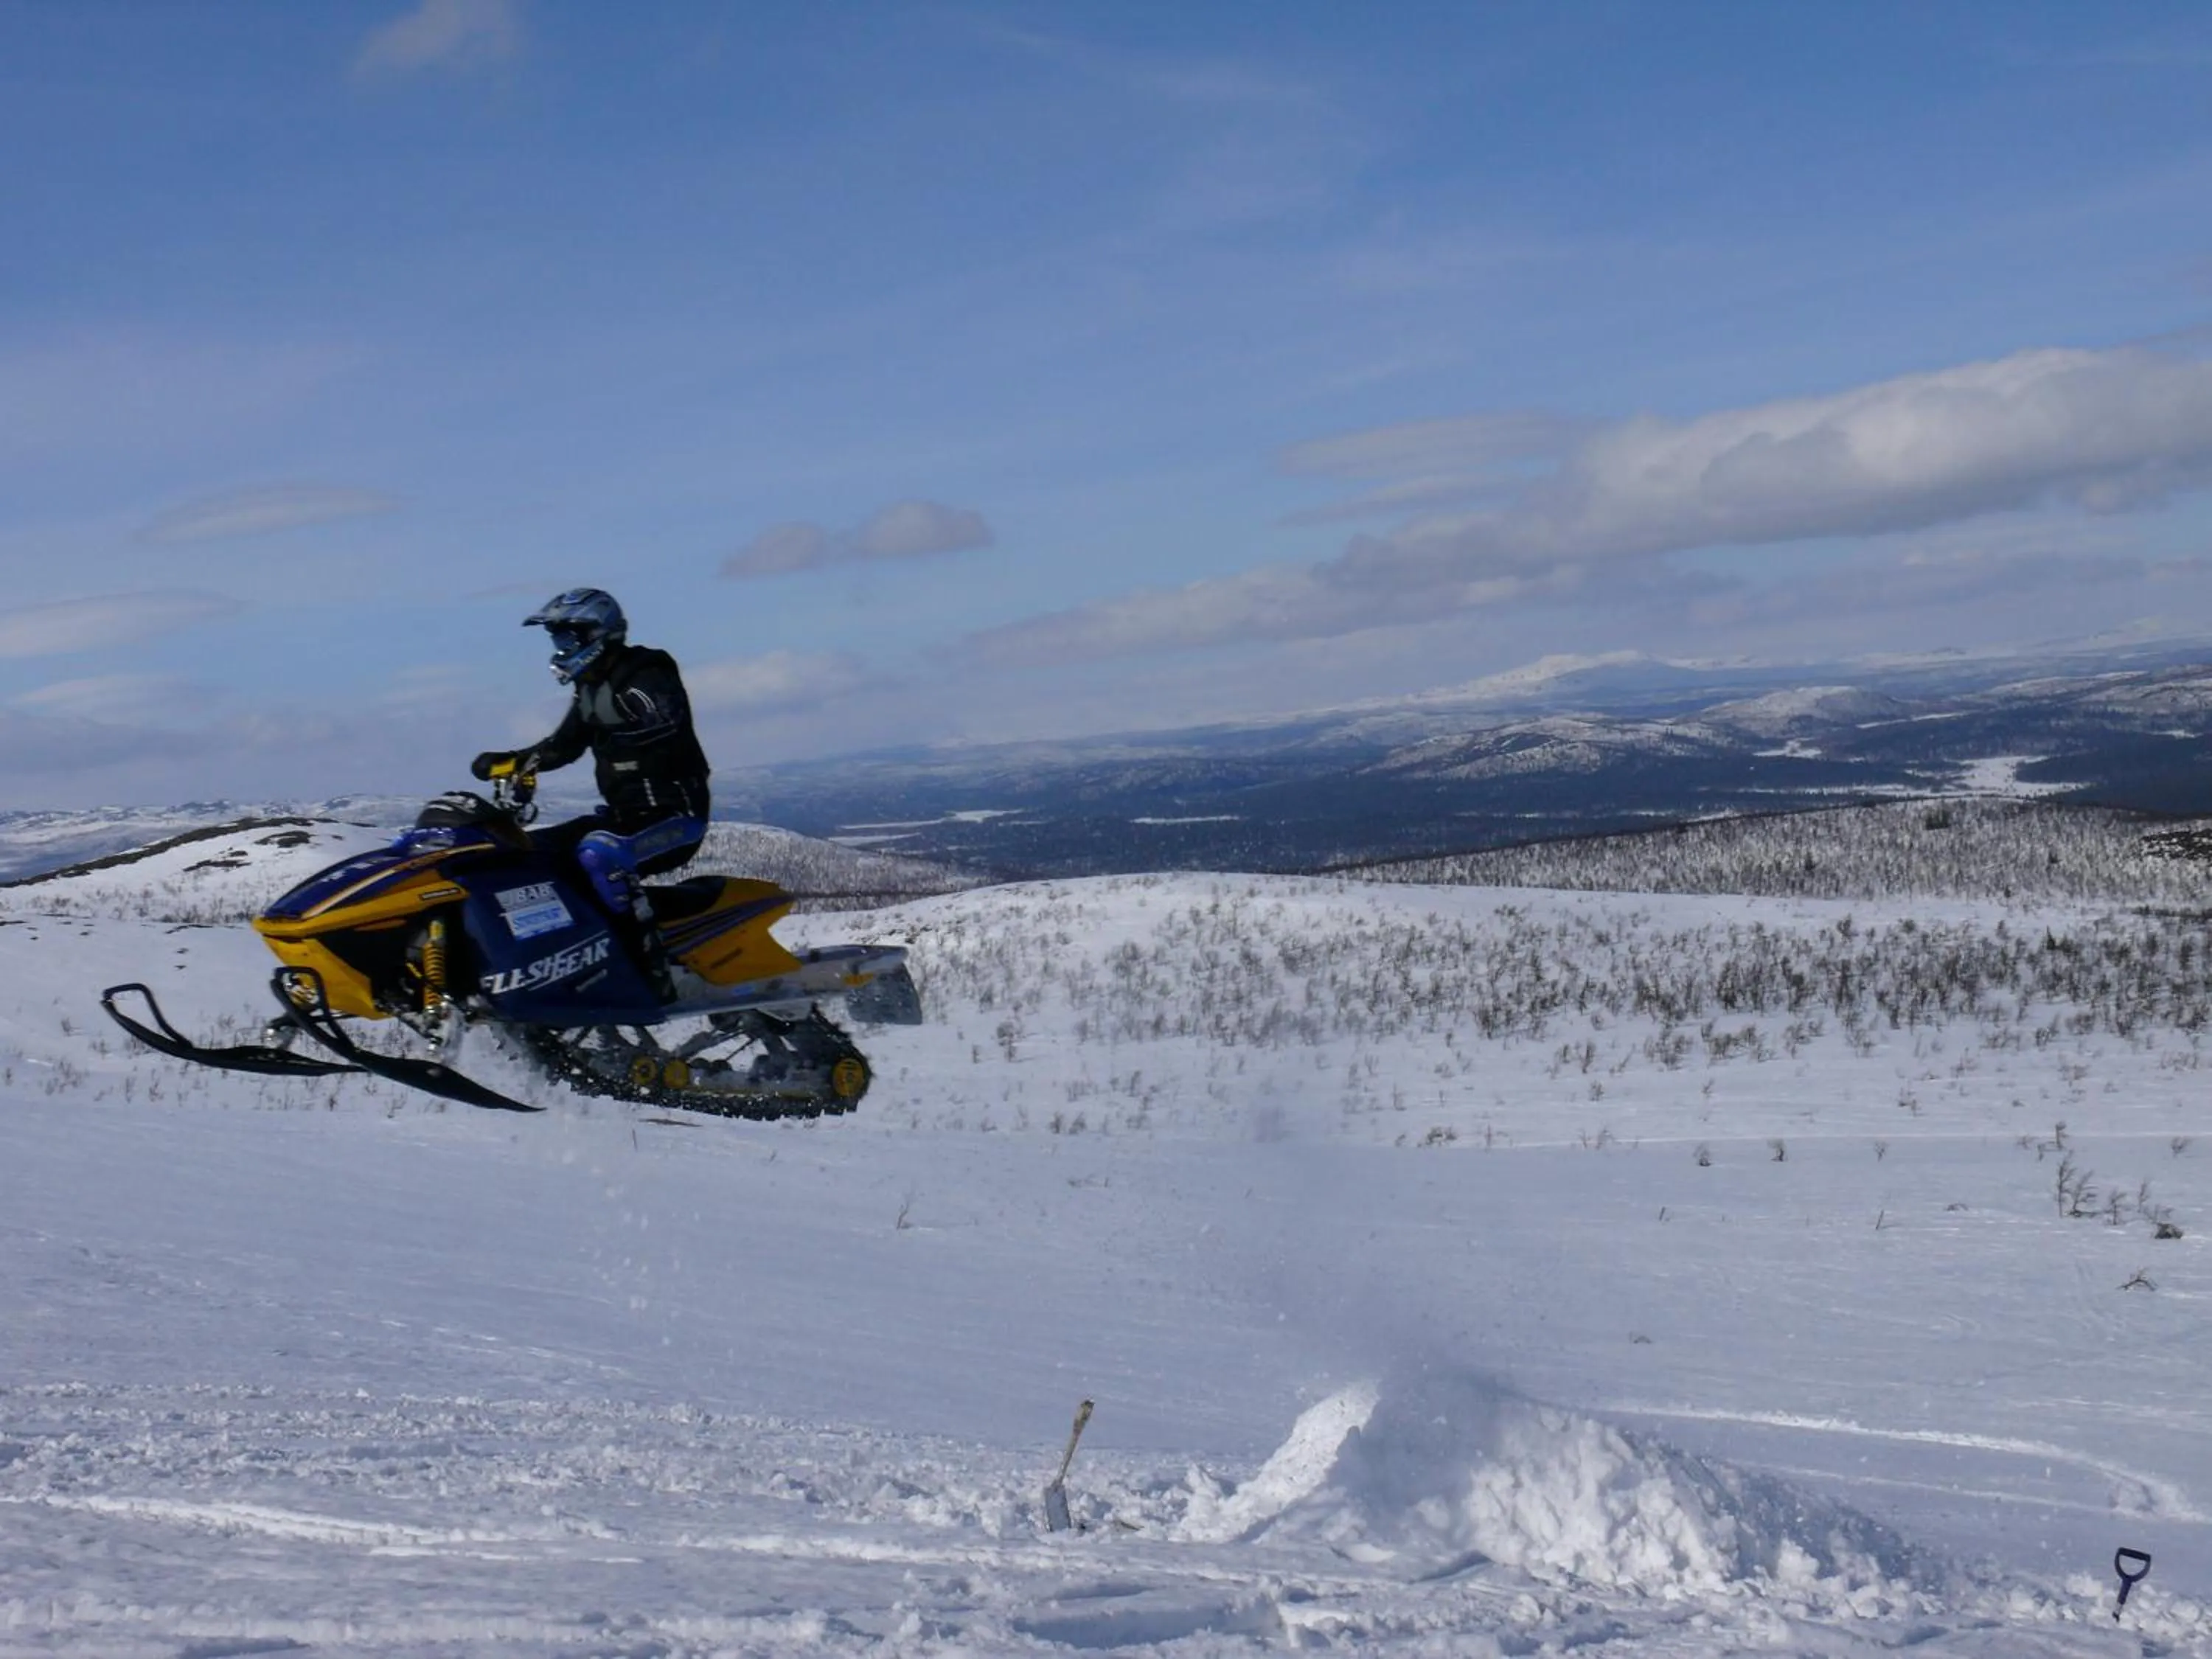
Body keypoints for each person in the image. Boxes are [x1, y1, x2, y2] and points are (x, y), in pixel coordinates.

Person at [472, 588, 711, 1000]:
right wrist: (514, 761)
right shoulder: (589, 688)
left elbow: (661, 720)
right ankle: (557, 966)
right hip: (624, 816)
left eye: (568, 637)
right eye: (557, 639)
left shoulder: (646, 670)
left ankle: (649, 972)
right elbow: (564, 746)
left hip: (675, 817)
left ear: (595, 634)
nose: (561, 647)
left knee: (601, 855)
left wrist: (603, 736)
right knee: (529, 852)